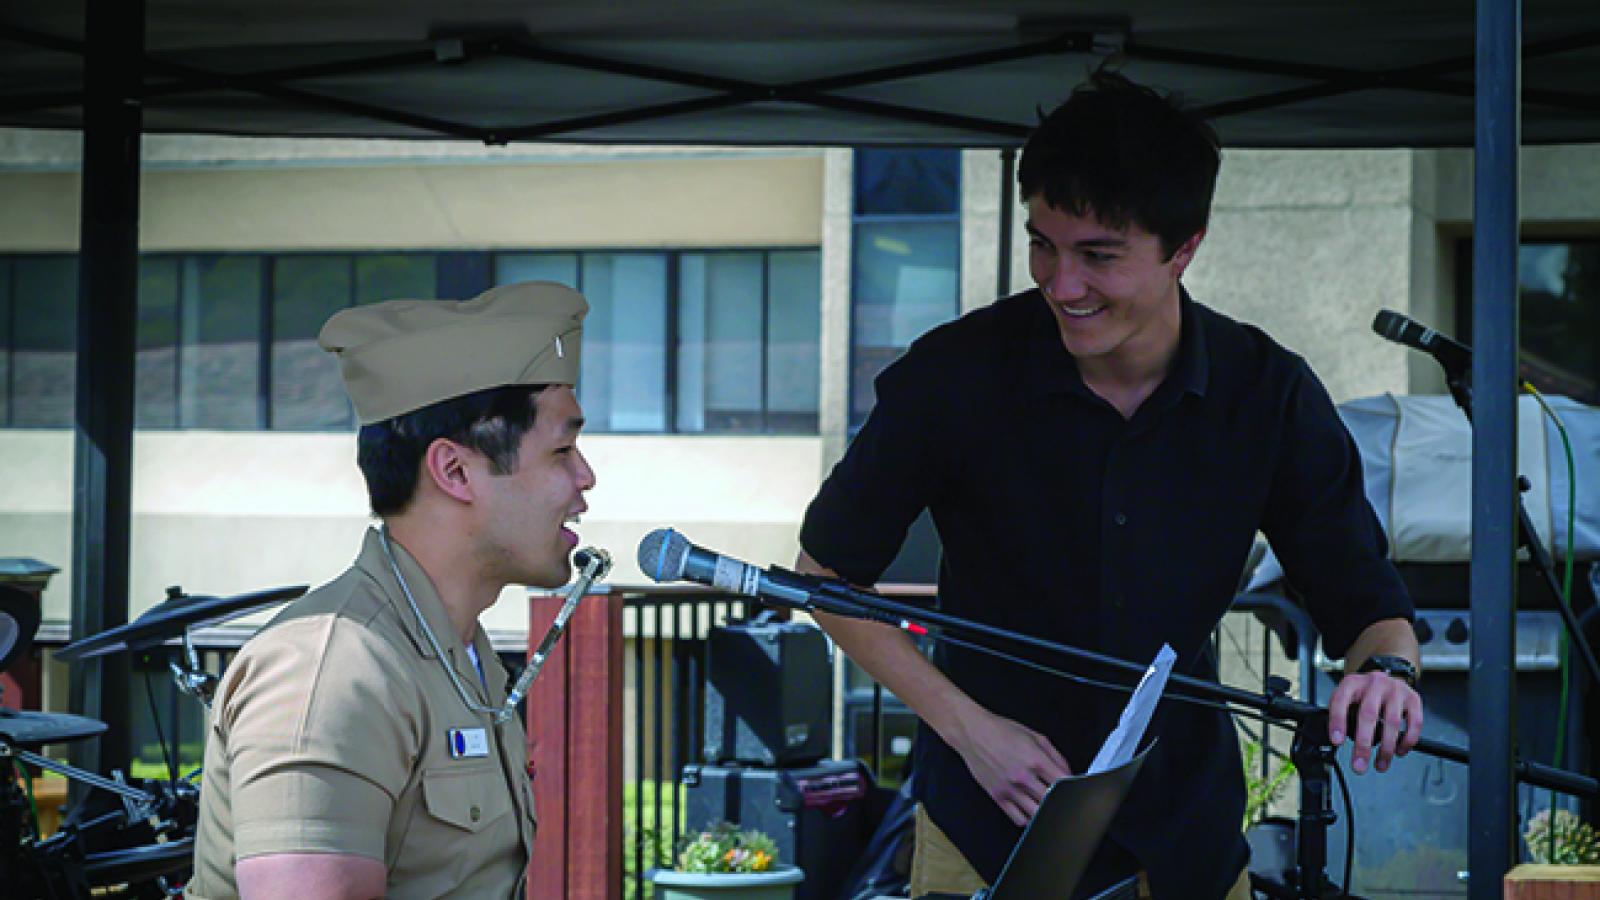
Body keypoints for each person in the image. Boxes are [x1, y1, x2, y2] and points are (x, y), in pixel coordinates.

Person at [797, 71, 1425, 899]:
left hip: (1185, 838)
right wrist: (971, 730)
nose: (1062, 285)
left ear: (1185, 246)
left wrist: (1391, 673)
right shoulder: (954, 374)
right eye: (1042, 245)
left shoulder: (1266, 391)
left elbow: (1371, 612)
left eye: (1099, 256)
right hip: (985, 831)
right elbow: (825, 580)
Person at [186, 281, 597, 900]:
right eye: (562, 449)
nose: (585, 476)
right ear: (455, 471)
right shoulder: (333, 671)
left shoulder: (458, 653)